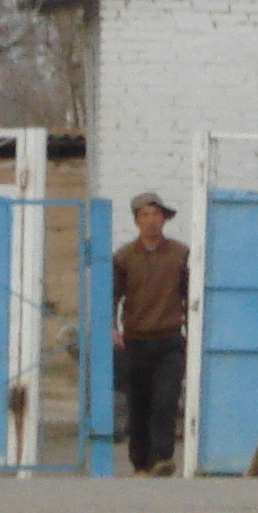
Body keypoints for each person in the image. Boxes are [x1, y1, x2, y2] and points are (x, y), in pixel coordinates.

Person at [111, 190, 189, 473]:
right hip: (135, 340)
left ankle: (163, 458)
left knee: (166, 401)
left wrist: (191, 335)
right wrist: (113, 328)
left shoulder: (180, 254)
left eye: (156, 215)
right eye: (145, 215)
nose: (152, 221)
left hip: (169, 340)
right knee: (139, 404)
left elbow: (190, 296)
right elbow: (112, 295)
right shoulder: (124, 257)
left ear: (164, 219)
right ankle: (140, 463)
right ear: (136, 221)